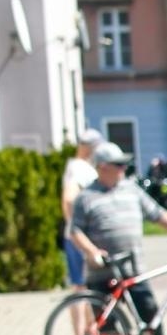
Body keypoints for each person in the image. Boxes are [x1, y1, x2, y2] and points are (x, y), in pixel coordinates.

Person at [69, 141, 167, 335]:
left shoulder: (131, 189)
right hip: (101, 272)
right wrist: (92, 252)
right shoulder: (86, 197)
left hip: (133, 270)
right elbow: (74, 231)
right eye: (117, 165)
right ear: (101, 167)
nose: (122, 169)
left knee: (150, 314)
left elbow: (157, 214)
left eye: (123, 165)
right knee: (108, 324)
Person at [61, 129, 102, 306]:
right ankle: (83, 333)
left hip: (76, 236)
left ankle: (83, 332)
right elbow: (68, 199)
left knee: (80, 286)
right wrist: (77, 228)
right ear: (90, 148)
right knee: (82, 288)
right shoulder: (80, 168)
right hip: (80, 238)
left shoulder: (75, 165)